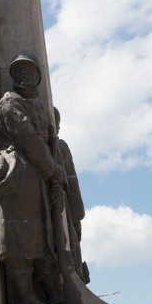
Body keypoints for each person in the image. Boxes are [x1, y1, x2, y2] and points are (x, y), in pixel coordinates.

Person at [0, 52, 65, 304]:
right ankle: (24, 299)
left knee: (40, 236)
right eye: (17, 71)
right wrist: (52, 168)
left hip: (36, 175)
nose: (23, 75)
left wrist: (53, 172)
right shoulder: (9, 102)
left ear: (38, 77)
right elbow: (28, 138)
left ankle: (52, 294)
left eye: (28, 71)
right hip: (18, 171)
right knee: (18, 236)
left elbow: (45, 141)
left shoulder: (41, 106)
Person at [53, 107, 89, 283]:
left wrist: (77, 217)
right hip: (64, 208)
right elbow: (73, 183)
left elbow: (72, 181)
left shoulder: (59, 146)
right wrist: (77, 219)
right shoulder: (60, 146)